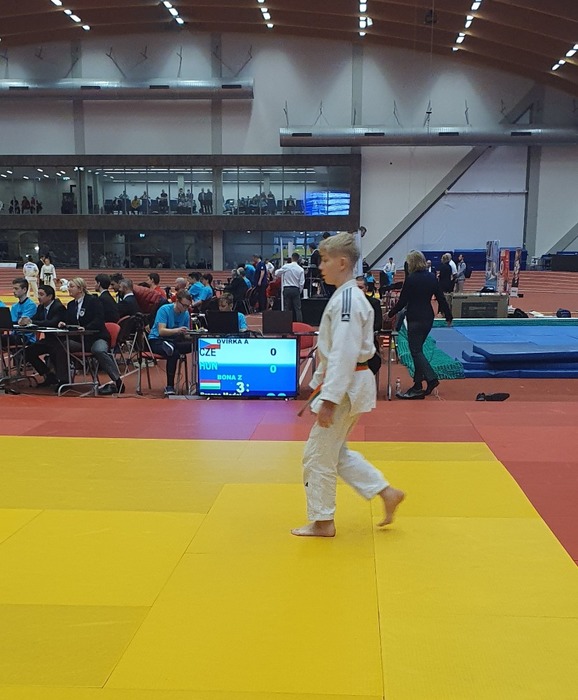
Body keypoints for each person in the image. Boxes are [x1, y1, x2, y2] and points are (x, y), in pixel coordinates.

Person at [291, 232, 405, 538]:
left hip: (347, 386)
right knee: (335, 452)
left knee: (317, 455)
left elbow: (343, 352)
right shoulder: (347, 296)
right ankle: (386, 491)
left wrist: (329, 399)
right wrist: (319, 385)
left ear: (342, 263)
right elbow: (333, 351)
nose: (321, 266)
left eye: (325, 260)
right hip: (349, 383)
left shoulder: (347, 301)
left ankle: (323, 521)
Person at [388, 250, 452, 399]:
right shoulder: (431, 277)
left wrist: (390, 313)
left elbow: (402, 301)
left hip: (415, 317)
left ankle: (431, 378)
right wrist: (448, 315)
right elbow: (441, 298)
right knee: (418, 351)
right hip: (428, 317)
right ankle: (417, 384)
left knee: (415, 351)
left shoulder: (411, 279)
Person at [56, 278, 123, 394]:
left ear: (80, 289)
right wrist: (63, 323)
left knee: (99, 350)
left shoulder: (94, 301)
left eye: (71, 286)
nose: (68, 289)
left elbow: (99, 319)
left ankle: (117, 381)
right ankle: (63, 379)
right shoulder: (71, 305)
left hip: (97, 337)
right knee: (60, 346)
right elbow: (69, 321)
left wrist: (86, 328)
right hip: (81, 340)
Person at [148, 289, 193, 396]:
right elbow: (161, 331)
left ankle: (170, 346)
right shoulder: (164, 309)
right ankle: (170, 386)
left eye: (188, 306)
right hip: (157, 340)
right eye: (184, 305)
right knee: (174, 353)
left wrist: (192, 334)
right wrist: (177, 330)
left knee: (193, 346)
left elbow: (185, 334)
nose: (185, 308)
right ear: (177, 301)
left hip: (174, 341)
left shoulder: (186, 314)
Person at [22, 284, 66, 387]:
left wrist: (32, 321)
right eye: (38, 294)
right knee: (28, 351)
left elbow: (52, 322)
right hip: (48, 341)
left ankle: (63, 379)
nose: (39, 297)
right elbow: (35, 319)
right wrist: (25, 321)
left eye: (41, 295)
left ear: (50, 296)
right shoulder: (41, 307)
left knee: (57, 351)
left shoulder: (59, 307)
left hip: (59, 340)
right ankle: (48, 374)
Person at [1, 277, 37, 348]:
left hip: (26, 338)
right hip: (14, 335)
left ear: (24, 290)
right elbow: (11, 322)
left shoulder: (31, 305)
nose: (13, 291)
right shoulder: (14, 306)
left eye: (16, 289)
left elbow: (22, 322)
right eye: (13, 288)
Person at [275, 252, 305, 321]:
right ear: (298, 259)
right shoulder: (301, 269)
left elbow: (277, 273)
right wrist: (300, 290)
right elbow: (302, 282)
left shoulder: (286, 266)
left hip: (287, 288)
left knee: (287, 308)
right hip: (296, 289)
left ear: (291, 258)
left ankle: (286, 323)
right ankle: (299, 323)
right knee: (298, 308)